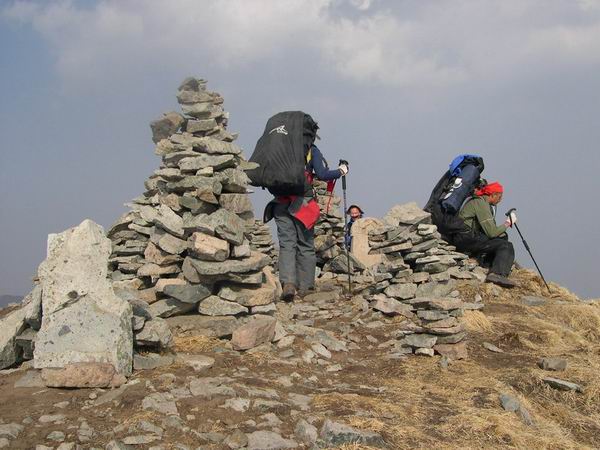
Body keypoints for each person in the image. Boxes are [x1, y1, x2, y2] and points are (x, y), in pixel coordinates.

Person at [265, 141, 348, 301]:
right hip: (302, 204)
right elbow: (322, 174)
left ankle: (288, 284)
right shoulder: (310, 149)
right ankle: (306, 287)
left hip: (280, 203)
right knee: (305, 245)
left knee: (287, 244)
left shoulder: (279, 147)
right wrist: (341, 171)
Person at [453, 181, 518, 288]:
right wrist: (507, 223)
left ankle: (488, 265)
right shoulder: (481, 204)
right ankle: (497, 274)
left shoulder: (478, 201)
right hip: (466, 239)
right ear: (493, 195)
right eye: (499, 197)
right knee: (506, 245)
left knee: (503, 236)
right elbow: (492, 232)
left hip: (464, 237)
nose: (500, 200)